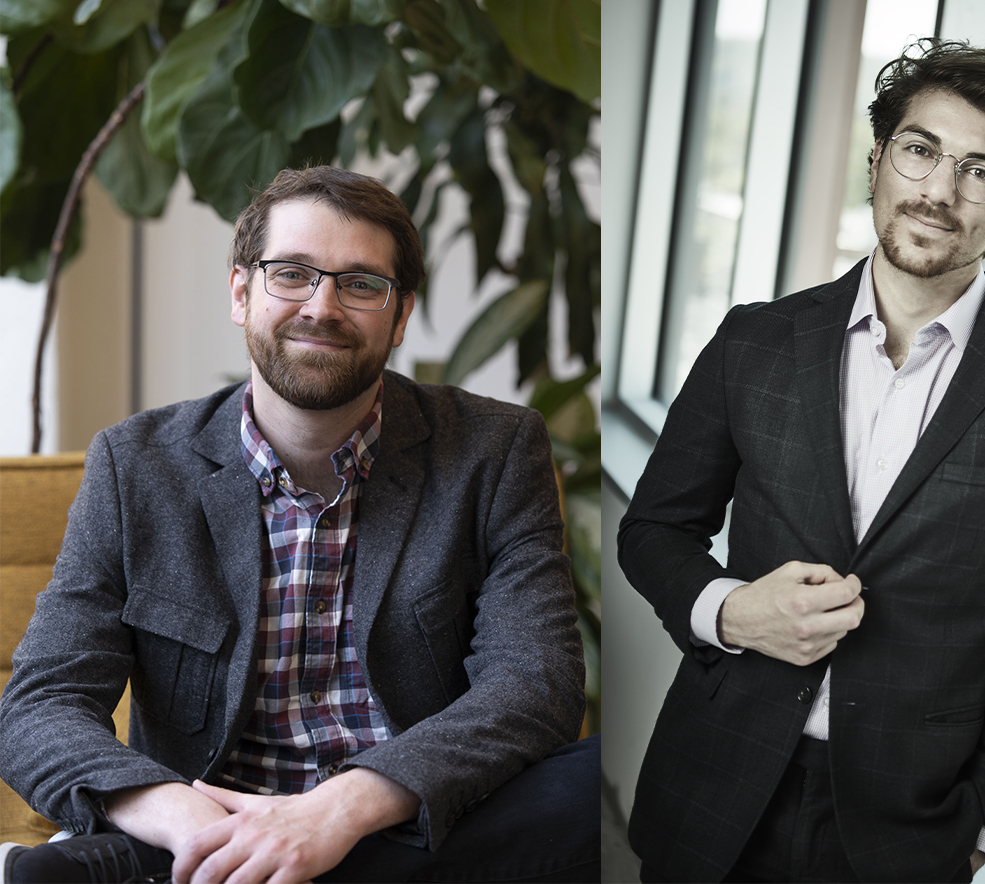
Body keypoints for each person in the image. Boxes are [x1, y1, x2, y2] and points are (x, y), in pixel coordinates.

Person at [0, 166, 598, 883]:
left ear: (400, 315)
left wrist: (336, 813)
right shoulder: (135, 466)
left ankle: (134, 868)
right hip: (211, 828)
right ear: (240, 292)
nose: (323, 306)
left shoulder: (493, 451)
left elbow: (534, 683)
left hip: (405, 820)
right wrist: (174, 813)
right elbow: (44, 702)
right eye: (292, 274)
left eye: (361, 284)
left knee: (607, 779)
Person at [618, 40, 985, 883]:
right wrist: (729, 611)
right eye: (920, 151)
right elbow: (655, 529)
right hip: (715, 777)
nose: (939, 191)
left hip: (906, 826)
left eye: (979, 172)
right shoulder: (754, 340)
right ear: (879, 158)